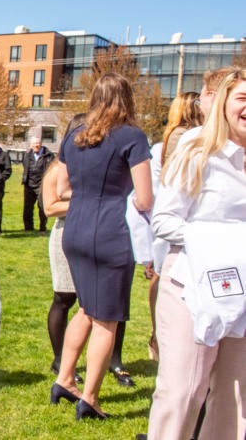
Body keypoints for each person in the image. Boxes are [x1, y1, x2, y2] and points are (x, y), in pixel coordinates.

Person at [147, 68, 246, 439]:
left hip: (243, 294)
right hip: (190, 287)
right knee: (184, 393)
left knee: (237, 401)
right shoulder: (197, 147)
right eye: (243, 99)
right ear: (223, 103)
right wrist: (228, 243)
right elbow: (164, 221)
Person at [50, 72, 153, 420]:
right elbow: (145, 198)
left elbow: (62, 189)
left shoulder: (75, 135)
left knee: (85, 310)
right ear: (128, 98)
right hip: (111, 231)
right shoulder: (132, 137)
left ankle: (65, 378)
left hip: (75, 228)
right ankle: (90, 397)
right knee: (107, 320)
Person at [145, 91, 202, 360]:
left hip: (169, 209)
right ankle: (161, 336)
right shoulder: (186, 136)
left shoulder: (171, 135)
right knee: (166, 274)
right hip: (178, 213)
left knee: (161, 273)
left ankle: (159, 335)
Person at [42, 114, 85, 382]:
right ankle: (59, 359)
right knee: (64, 298)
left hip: (88, 234)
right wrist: (88, 203)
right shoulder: (57, 169)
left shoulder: (86, 166)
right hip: (65, 235)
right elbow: (50, 208)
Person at [22, 136, 55, 232]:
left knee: (42, 207)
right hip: (29, 184)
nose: (36, 145)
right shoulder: (28, 154)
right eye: (34, 143)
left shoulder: (49, 155)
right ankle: (28, 228)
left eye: (37, 143)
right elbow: (25, 167)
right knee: (27, 207)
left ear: (41, 143)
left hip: (42, 185)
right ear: (30, 145)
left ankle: (42, 228)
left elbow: (51, 169)